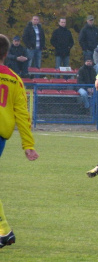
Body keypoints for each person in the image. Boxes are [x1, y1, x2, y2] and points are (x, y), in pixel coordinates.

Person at [0, 34, 39, 249]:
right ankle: (4, 231)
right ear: (6, 54)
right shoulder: (14, 79)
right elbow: (22, 114)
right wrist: (28, 145)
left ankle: (5, 231)